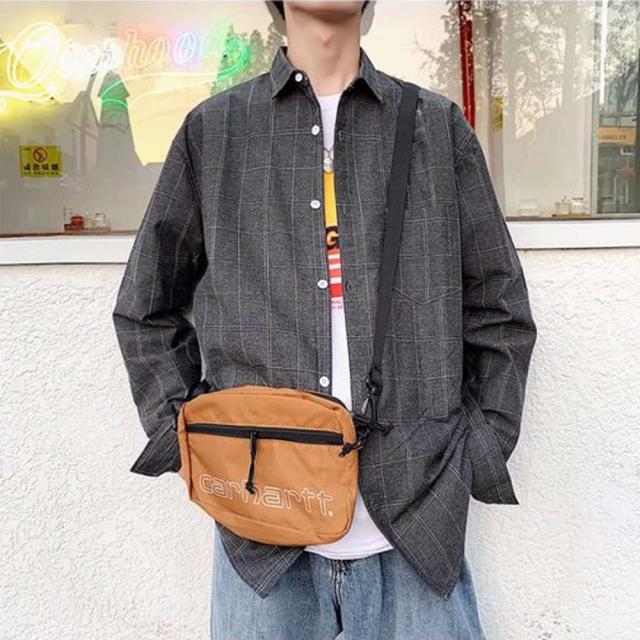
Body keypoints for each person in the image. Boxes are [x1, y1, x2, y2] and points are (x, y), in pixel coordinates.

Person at [112, 1, 538, 638]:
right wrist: (189, 442)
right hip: (261, 529)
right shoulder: (216, 131)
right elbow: (146, 306)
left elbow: (498, 306)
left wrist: (479, 446)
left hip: (417, 520)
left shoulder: (435, 126)